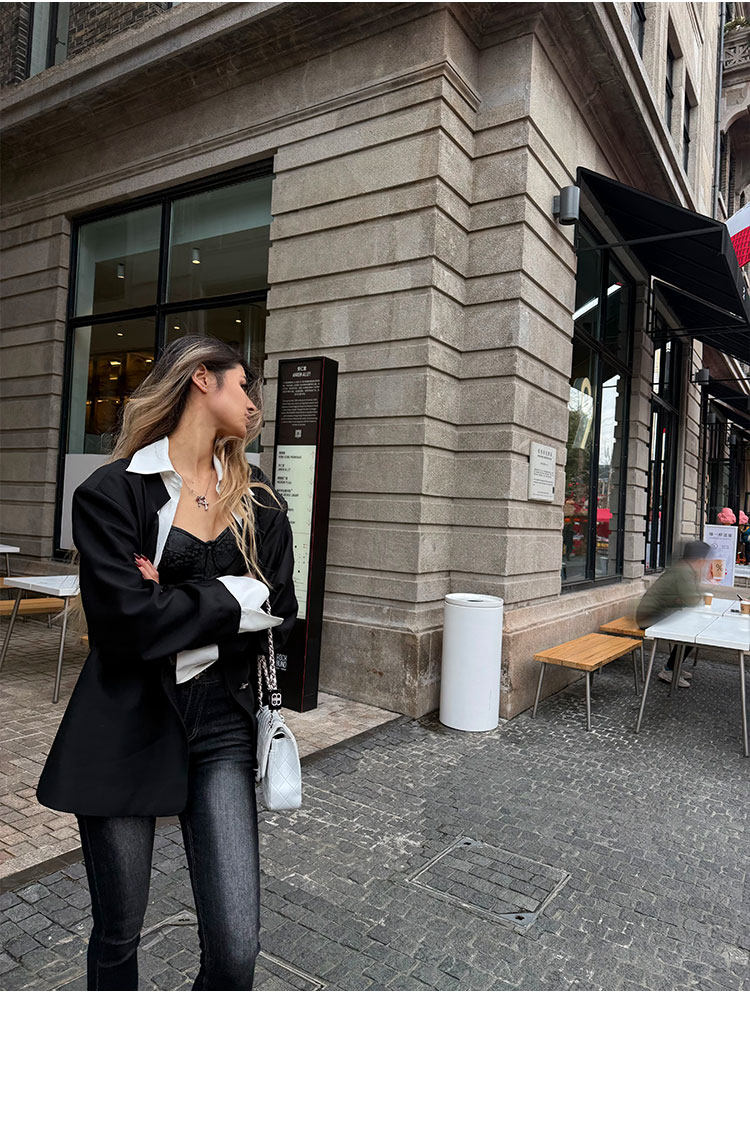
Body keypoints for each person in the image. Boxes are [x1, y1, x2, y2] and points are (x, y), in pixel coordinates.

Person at [36, 335, 298, 990]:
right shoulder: (113, 493)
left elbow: (282, 606)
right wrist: (231, 597)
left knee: (236, 949)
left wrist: (170, 603)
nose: (254, 404)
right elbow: (124, 625)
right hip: (126, 721)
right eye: (245, 385)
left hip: (222, 725)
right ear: (203, 379)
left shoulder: (259, 498)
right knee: (118, 933)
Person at [635, 540, 711, 688]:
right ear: (700, 560)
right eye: (705, 560)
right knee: (690, 632)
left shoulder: (684, 568)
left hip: (656, 613)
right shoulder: (684, 571)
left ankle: (674, 666)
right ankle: (669, 670)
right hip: (648, 617)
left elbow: (690, 598)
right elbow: (692, 600)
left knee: (691, 629)